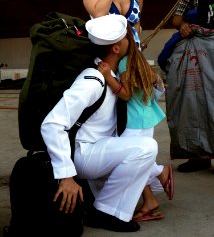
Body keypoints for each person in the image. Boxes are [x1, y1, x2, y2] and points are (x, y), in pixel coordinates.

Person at [41, 14, 160, 232]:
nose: (129, 41)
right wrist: (65, 174)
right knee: (146, 147)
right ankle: (105, 212)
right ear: (116, 48)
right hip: (83, 154)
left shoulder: (110, 75)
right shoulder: (92, 80)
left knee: (143, 145)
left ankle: (107, 208)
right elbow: (52, 124)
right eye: (126, 38)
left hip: (98, 149)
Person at [97, 25, 174, 221]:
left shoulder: (124, 63)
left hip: (135, 121)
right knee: (137, 161)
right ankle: (149, 200)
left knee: (133, 159)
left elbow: (126, 93)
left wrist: (107, 77)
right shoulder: (135, 59)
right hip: (144, 118)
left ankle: (161, 172)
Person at [158, 0, 214, 172]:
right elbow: (177, 16)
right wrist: (182, 26)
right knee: (196, 101)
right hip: (201, 49)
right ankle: (199, 153)